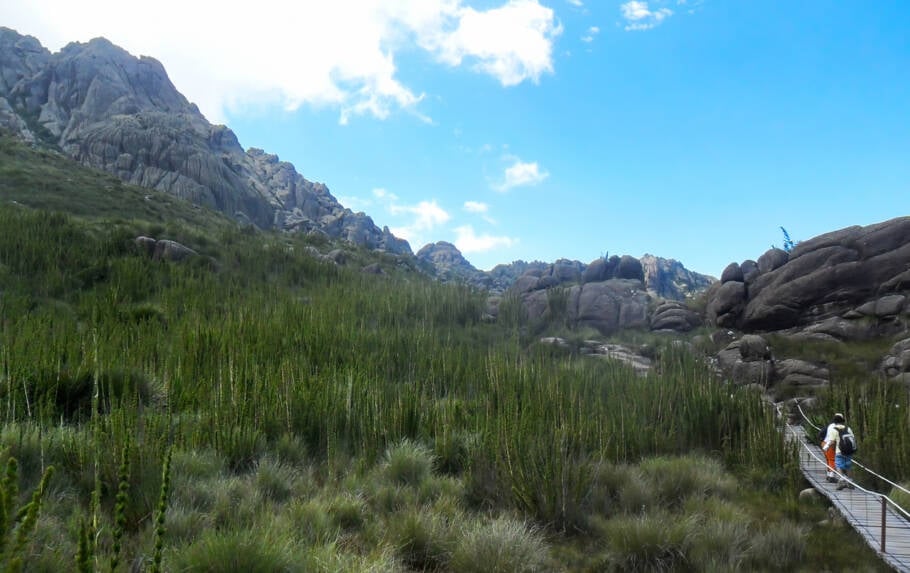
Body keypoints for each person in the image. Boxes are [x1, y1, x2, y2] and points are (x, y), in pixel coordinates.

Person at [822, 413, 854, 490]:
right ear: (842, 421)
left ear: (835, 421)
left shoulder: (834, 429)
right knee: (848, 466)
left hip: (839, 451)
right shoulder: (848, 428)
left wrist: (826, 447)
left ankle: (842, 478)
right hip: (849, 451)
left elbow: (832, 441)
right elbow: (852, 438)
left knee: (838, 465)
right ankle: (850, 481)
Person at [819, 415, 838, 483]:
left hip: (824, 443)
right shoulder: (836, 427)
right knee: (832, 460)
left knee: (828, 460)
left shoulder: (829, 425)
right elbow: (834, 438)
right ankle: (831, 476)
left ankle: (828, 474)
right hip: (830, 445)